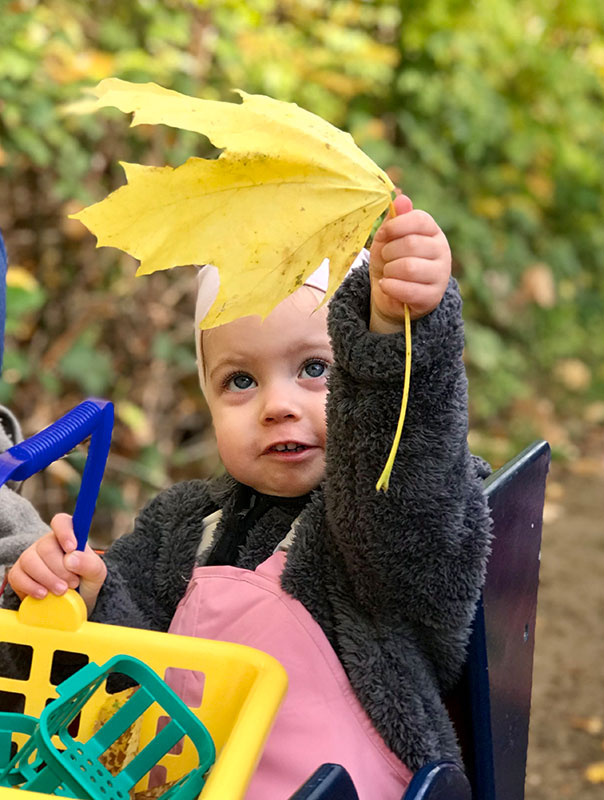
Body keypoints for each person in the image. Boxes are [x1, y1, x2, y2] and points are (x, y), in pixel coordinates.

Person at [5, 194, 492, 799]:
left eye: (316, 368)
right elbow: (117, 683)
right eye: (240, 380)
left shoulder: (376, 527)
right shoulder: (181, 526)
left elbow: (403, 481)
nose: (277, 405)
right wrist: (83, 595)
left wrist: (394, 342)